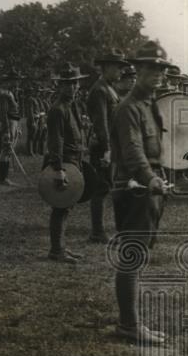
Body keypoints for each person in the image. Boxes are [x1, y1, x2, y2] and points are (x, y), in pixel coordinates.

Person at [110, 41, 173, 346]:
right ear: (138, 71)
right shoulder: (128, 108)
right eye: (151, 69)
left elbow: (157, 150)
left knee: (139, 255)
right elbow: (134, 153)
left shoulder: (150, 105)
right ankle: (128, 325)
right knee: (132, 257)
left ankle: (130, 321)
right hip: (136, 191)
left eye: (161, 69)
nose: (158, 75)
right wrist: (151, 179)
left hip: (150, 191)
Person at [44, 64, 86, 264]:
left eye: (75, 83)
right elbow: (56, 141)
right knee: (60, 205)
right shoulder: (57, 110)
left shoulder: (73, 105)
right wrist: (58, 168)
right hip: (65, 162)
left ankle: (60, 246)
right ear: (60, 86)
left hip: (75, 159)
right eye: (67, 84)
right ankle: (56, 250)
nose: (72, 87)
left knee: (67, 205)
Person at [86, 49, 127, 243]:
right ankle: (97, 232)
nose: (121, 72)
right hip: (103, 146)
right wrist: (107, 149)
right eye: (118, 67)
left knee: (107, 185)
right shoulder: (99, 90)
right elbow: (101, 123)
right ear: (107, 68)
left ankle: (99, 231)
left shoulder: (109, 88)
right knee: (100, 187)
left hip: (112, 145)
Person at [0, 71, 22, 186]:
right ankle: (3, 179)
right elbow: (3, 113)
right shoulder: (4, 94)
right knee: (6, 150)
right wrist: (6, 131)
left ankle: (5, 178)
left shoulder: (12, 93)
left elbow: (16, 112)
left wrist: (18, 126)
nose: (17, 83)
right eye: (15, 80)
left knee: (8, 151)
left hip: (14, 122)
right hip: (8, 123)